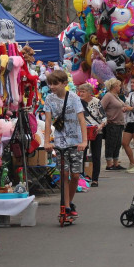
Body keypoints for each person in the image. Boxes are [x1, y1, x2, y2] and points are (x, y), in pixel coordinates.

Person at [43, 69, 88, 219]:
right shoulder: (49, 99)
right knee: (64, 173)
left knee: (75, 175)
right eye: (50, 84)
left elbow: (82, 120)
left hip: (76, 141)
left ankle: (70, 201)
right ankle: (66, 206)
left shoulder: (74, 98)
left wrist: (84, 141)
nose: (52, 86)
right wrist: (47, 141)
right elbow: (48, 121)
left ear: (64, 83)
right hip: (60, 140)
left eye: (55, 83)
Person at [77, 83, 106, 187]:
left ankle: (95, 179)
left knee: (96, 155)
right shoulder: (78, 103)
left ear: (90, 93)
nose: (81, 93)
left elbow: (104, 117)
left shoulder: (96, 102)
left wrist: (101, 126)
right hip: (82, 131)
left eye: (83, 91)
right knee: (81, 155)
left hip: (96, 131)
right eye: (80, 91)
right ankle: (81, 177)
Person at [101, 78, 126, 171]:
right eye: (119, 86)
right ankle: (109, 164)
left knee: (117, 143)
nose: (120, 87)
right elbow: (101, 107)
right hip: (112, 123)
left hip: (119, 123)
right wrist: (106, 118)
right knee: (110, 143)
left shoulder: (116, 96)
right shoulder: (108, 96)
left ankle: (115, 162)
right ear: (115, 87)